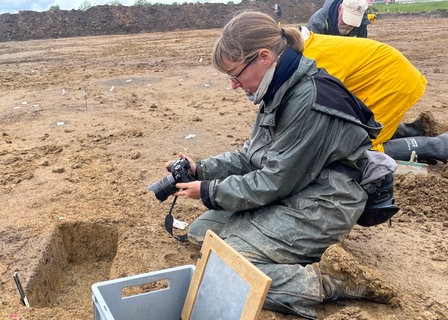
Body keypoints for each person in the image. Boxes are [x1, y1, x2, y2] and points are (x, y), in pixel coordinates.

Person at [165, 11, 395, 320]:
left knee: (227, 267)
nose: (234, 86)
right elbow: (251, 156)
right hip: (299, 187)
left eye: (236, 75)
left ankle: (329, 282)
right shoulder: (280, 86)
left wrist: (208, 191)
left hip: (327, 200)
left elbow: (273, 182)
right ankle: (284, 252)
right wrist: (200, 169)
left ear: (263, 57)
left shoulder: (309, 99)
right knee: (201, 233)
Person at [299, 26, 448, 163]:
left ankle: (439, 146)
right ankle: (414, 131)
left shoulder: (313, 57)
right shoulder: (307, 46)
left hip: (391, 82)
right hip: (386, 77)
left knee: (358, 149)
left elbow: (320, 104)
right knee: (353, 130)